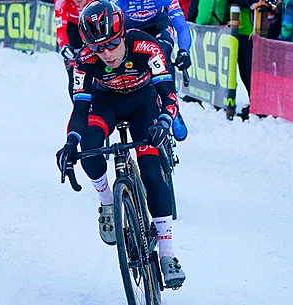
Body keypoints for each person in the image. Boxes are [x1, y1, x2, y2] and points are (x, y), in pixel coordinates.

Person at [56, 0, 186, 288]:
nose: (106, 53)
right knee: (89, 149)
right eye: (98, 47)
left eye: (112, 44)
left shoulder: (146, 46)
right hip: (106, 105)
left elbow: (168, 95)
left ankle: (167, 253)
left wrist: (165, 121)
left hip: (143, 103)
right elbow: (79, 110)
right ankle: (106, 203)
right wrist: (70, 142)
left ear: (122, 34)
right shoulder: (85, 61)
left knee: (151, 170)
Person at [113, 0, 192, 141]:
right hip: (129, 30)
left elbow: (181, 27)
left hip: (158, 28)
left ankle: (171, 105)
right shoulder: (117, 2)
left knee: (161, 57)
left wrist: (184, 51)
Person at [55, 0, 92, 101]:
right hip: (72, 29)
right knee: (73, 75)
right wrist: (64, 46)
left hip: (90, 26)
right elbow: (60, 29)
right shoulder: (61, 2)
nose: (78, 1)